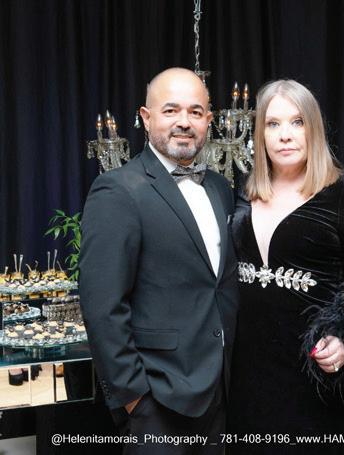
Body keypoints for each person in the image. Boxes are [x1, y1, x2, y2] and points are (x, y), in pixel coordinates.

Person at [227, 80, 344, 454]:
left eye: (297, 122)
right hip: (250, 378)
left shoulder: (343, 193)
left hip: (315, 377)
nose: (285, 135)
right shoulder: (245, 191)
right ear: (260, 133)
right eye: (273, 124)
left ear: (313, 129)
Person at [79, 67, 239, 454]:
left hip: (221, 394)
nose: (184, 121)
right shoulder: (117, 191)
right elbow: (102, 307)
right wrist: (134, 398)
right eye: (171, 110)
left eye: (195, 112)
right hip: (158, 403)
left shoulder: (221, 188)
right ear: (146, 117)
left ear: (209, 120)